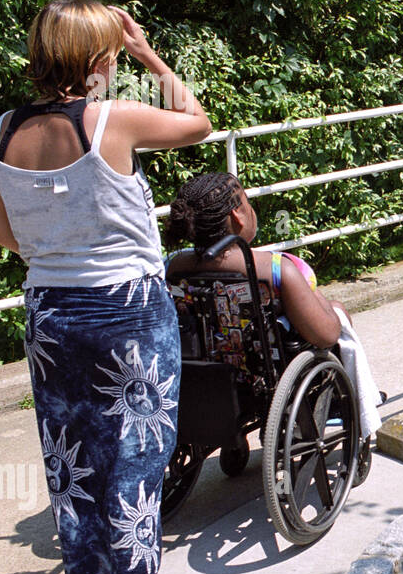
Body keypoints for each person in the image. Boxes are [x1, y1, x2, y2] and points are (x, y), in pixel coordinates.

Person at [0, 0, 212, 574]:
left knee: (72, 457)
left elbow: (0, 232)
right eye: (112, 50)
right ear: (97, 58)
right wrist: (151, 54)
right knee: (135, 457)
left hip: (50, 311)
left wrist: (61, 251)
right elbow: (198, 123)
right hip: (126, 310)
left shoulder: (0, 133)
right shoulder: (114, 118)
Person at [163, 174, 382, 451]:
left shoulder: (173, 265)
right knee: (336, 315)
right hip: (264, 376)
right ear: (238, 215)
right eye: (247, 202)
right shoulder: (279, 268)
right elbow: (326, 335)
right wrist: (322, 299)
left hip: (204, 369)